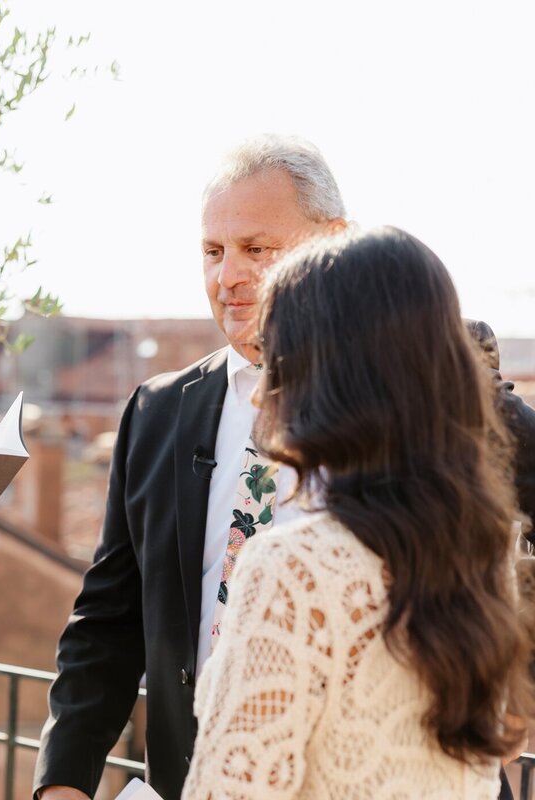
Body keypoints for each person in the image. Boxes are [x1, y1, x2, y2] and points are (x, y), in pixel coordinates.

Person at [34, 135, 347, 800]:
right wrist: (63, 781)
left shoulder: (407, 410)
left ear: (335, 243)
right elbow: (109, 621)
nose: (225, 277)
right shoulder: (158, 412)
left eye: (256, 250)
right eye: (212, 251)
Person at [182, 226, 533, 798]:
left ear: (328, 378)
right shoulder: (480, 549)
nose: (255, 391)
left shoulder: (293, 569)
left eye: (276, 357)